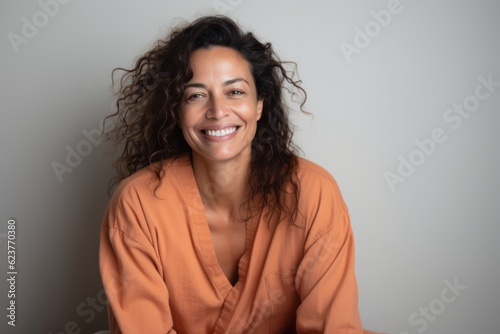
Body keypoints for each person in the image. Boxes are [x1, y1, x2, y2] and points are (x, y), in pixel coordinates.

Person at [99, 15, 379, 334]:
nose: (218, 111)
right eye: (195, 95)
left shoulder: (314, 193)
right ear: (176, 111)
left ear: (259, 105)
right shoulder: (138, 203)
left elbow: (332, 327)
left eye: (234, 92)